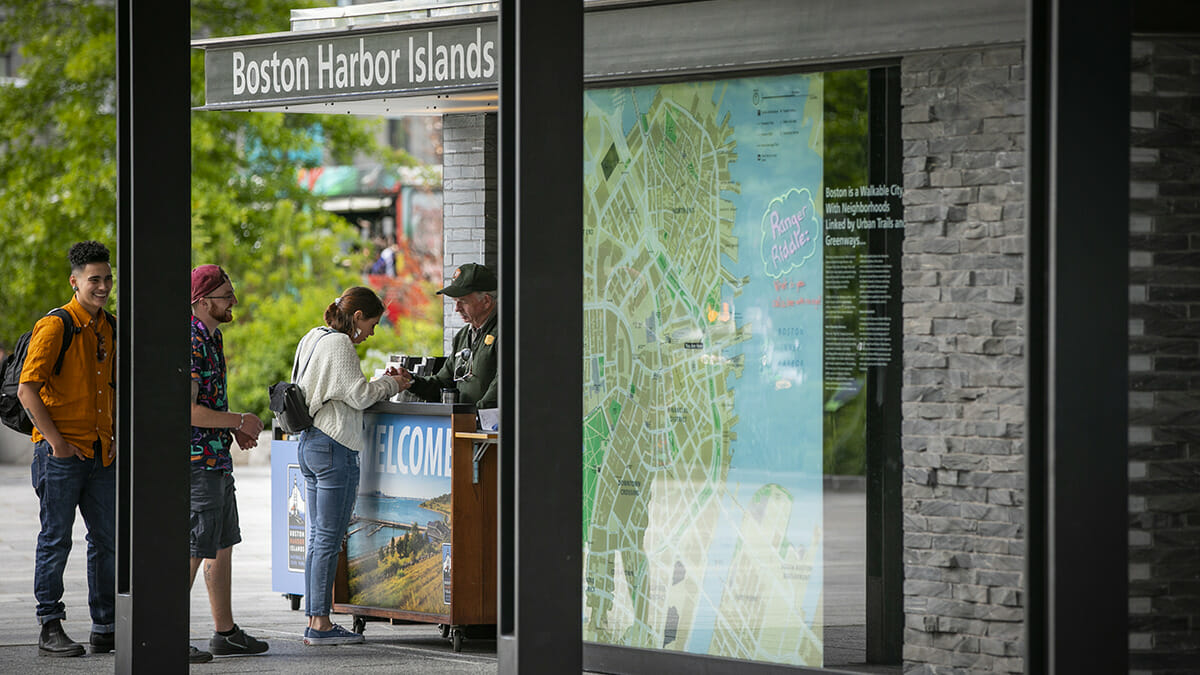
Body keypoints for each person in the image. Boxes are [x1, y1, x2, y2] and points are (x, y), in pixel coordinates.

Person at [294, 286, 412, 645]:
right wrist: (394, 382)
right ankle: (320, 624)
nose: (372, 333)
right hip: (334, 448)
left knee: (318, 538)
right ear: (357, 317)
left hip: (310, 444)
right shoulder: (340, 344)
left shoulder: (313, 336)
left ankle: (316, 619)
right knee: (328, 540)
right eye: (372, 325)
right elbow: (359, 395)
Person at [17, 240, 116, 657]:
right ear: (74, 282)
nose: (103, 286)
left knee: (107, 540)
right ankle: (49, 626)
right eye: (95, 279)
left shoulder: (110, 326)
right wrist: (56, 443)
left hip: (101, 453)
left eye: (108, 279)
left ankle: (106, 625)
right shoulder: (56, 325)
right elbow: (27, 389)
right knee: (56, 539)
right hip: (60, 455)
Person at [189, 264, 269, 663]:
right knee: (192, 546)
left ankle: (225, 631)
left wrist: (232, 427)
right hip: (195, 461)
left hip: (215, 457)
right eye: (225, 297)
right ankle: (167, 631)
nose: (233, 301)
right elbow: (185, 411)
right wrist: (238, 421)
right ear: (203, 302)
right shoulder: (190, 340)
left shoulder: (211, 337)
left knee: (221, 544)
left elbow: (208, 405)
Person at [407, 262, 498, 409]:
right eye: (455, 302)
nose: (457, 309)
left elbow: (504, 382)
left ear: (486, 301)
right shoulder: (462, 337)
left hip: (491, 427)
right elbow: (443, 382)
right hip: (465, 425)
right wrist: (412, 382)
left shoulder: (507, 333)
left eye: (462, 302)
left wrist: (477, 413)